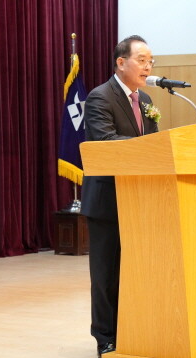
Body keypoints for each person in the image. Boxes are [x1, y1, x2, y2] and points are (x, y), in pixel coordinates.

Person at [80, 35, 158, 357]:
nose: (149, 66)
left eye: (151, 61)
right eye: (142, 60)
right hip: (108, 202)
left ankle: (134, 331)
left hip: (139, 202)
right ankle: (106, 339)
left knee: (136, 272)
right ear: (121, 62)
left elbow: (152, 149)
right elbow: (108, 142)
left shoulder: (147, 100)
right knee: (106, 276)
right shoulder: (100, 98)